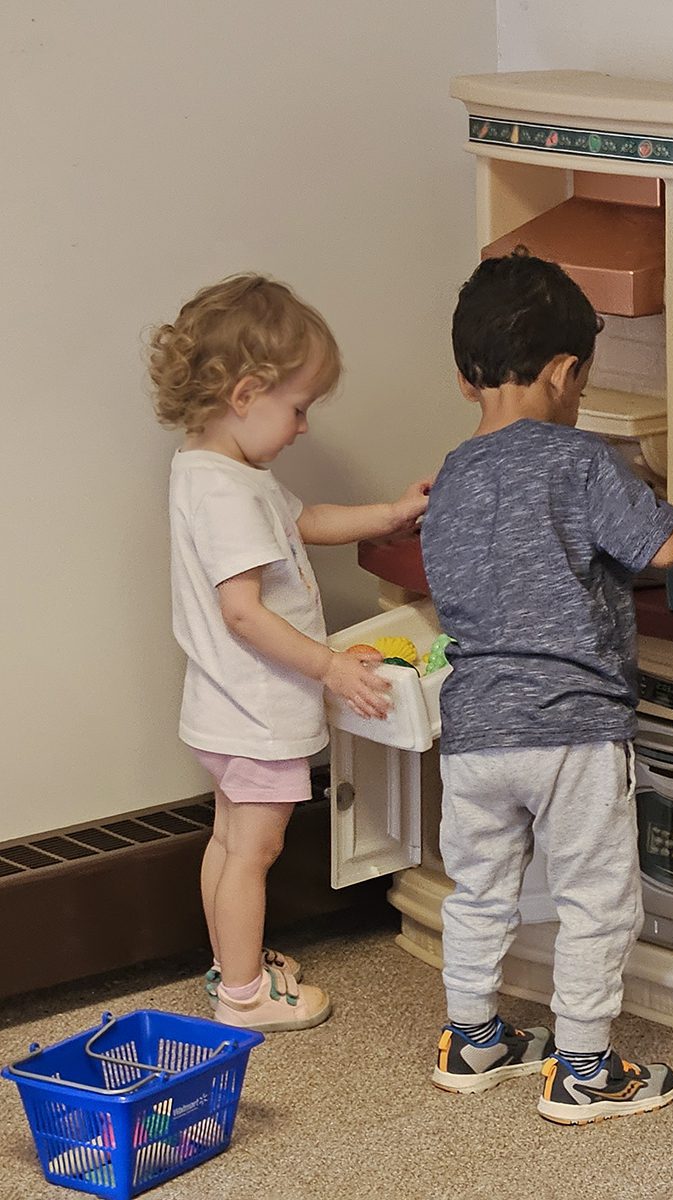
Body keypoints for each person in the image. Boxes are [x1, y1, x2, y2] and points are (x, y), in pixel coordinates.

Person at [420, 249, 673, 1123]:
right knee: (596, 898)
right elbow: (658, 547)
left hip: (475, 730)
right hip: (572, 728)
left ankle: (472, 1038)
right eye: (583, 380)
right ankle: (584, 1065)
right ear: (563, 373)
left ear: (466, 372)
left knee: (478, 887)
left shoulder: (451, 479)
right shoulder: (579, 460)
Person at [149, 274, 431, 1032]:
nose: (304, 427)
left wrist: (393, 512)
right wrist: (330, 666)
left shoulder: (215, 472)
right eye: (298, 408)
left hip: (221, 705)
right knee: (255, 848)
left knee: (231, 839)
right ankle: (244, 996)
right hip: (257, 707)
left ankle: (231, 966)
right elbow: (242, 612)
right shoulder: (230, 495)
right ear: (246, 394)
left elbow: (306, 521)